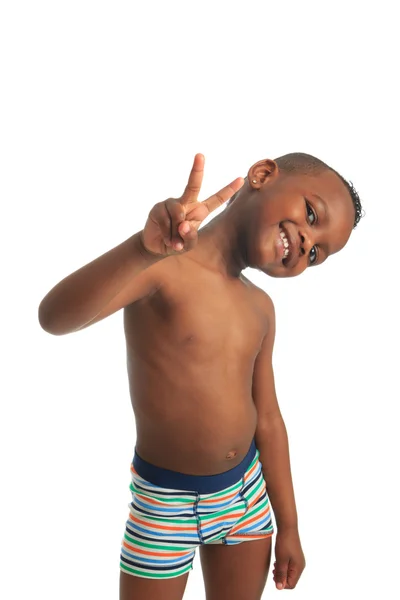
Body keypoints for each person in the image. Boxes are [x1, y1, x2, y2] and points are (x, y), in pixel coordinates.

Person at [38, 152, 363, 600]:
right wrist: (140, 250)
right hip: (163, 504)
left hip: (245, 501)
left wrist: (289, 526)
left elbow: (268, 418)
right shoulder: (162, 268)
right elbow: (53, 318)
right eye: (311, 214)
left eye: (317, 253)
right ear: (263, 174)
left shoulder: (260, 309)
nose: (307, 244)